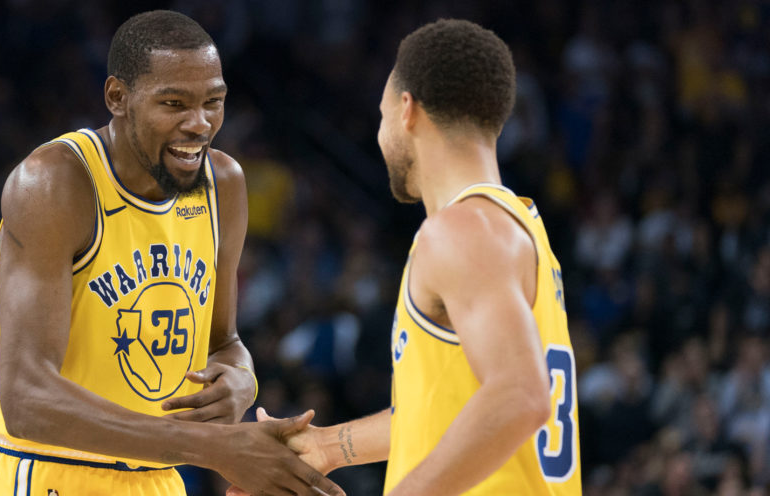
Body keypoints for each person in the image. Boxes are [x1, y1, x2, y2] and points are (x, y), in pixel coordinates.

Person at [0, 10, 342, 496]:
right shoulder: (56, 182)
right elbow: (26, 399)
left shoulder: (223, 185)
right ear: (117, 97)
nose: (199, 123)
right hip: (43, 471)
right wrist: (213, 448)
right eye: (174, 103)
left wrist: (241, 381)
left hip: (159, 475)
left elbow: (224, 342)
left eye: (214, 102)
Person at [234, 18, 581, 495]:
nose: (379, 137)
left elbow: (520, 395)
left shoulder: (462, 230)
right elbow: (454, 413)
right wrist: (331, 447)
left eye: (380, 116)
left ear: (407, 110)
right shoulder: (513, 226)